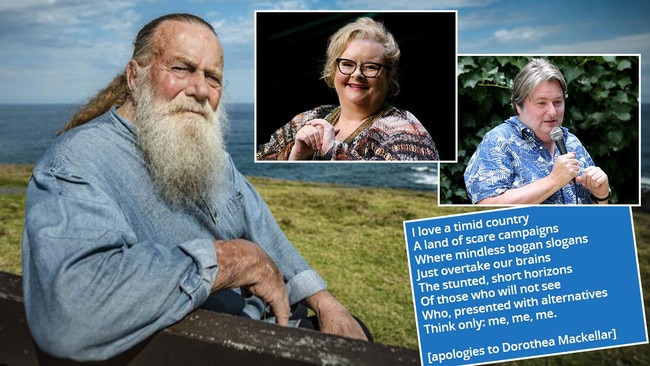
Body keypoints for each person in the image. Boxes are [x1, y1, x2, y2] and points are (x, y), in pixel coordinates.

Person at [21, 13, 370, 362]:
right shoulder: (76, 163)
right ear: (134, 76)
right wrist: (229, 260)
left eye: (213, 78)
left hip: (262, 328)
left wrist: (324, 301)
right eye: (182, 69)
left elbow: (263, 229)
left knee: (357, 331)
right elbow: (73, 315)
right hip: (225, 346)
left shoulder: (208, 156)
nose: (201, 90)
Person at [256, 17, 439, 161]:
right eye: (347, 64)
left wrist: (332, 150)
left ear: (388, 76)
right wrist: (296, 155)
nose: (357, 74)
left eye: (370, 67)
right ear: (334, 69)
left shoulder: (405, 131)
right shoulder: (308, 119)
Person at [464, 58, 610, 205]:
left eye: (557, 102)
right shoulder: (498, 141)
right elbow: (486, 206)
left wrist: (601, 196)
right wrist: (553, 181)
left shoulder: (571, 142)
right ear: (519, 106)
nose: (553, 112)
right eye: (541, 103)